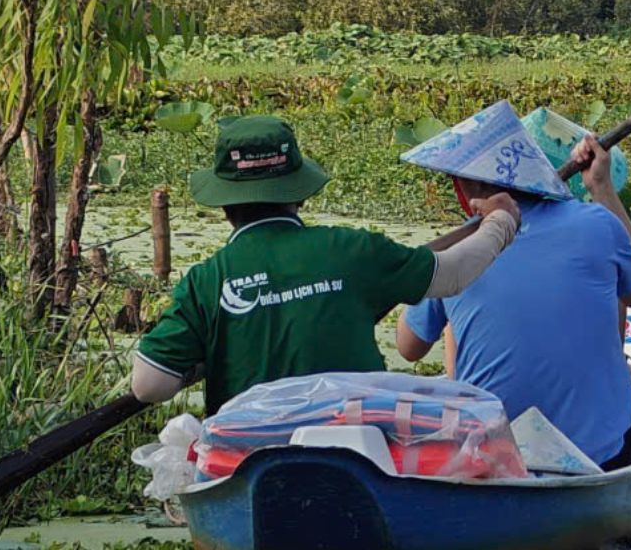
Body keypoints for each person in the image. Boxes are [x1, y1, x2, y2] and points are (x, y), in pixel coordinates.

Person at [129, 114, 522, 412]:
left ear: (224, 205)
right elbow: (450, 274)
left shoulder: (206, 281)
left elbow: (148, 386)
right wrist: (501, 221)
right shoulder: (351, 250)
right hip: (353, 453)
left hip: (250, 461)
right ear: (298, 194)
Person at [394, 101, 631, 471]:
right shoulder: (596, 222)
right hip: (600, 459)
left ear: (466, 191)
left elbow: (407, 347)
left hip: (491, 460)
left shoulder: (456, 251)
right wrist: (602, 189)